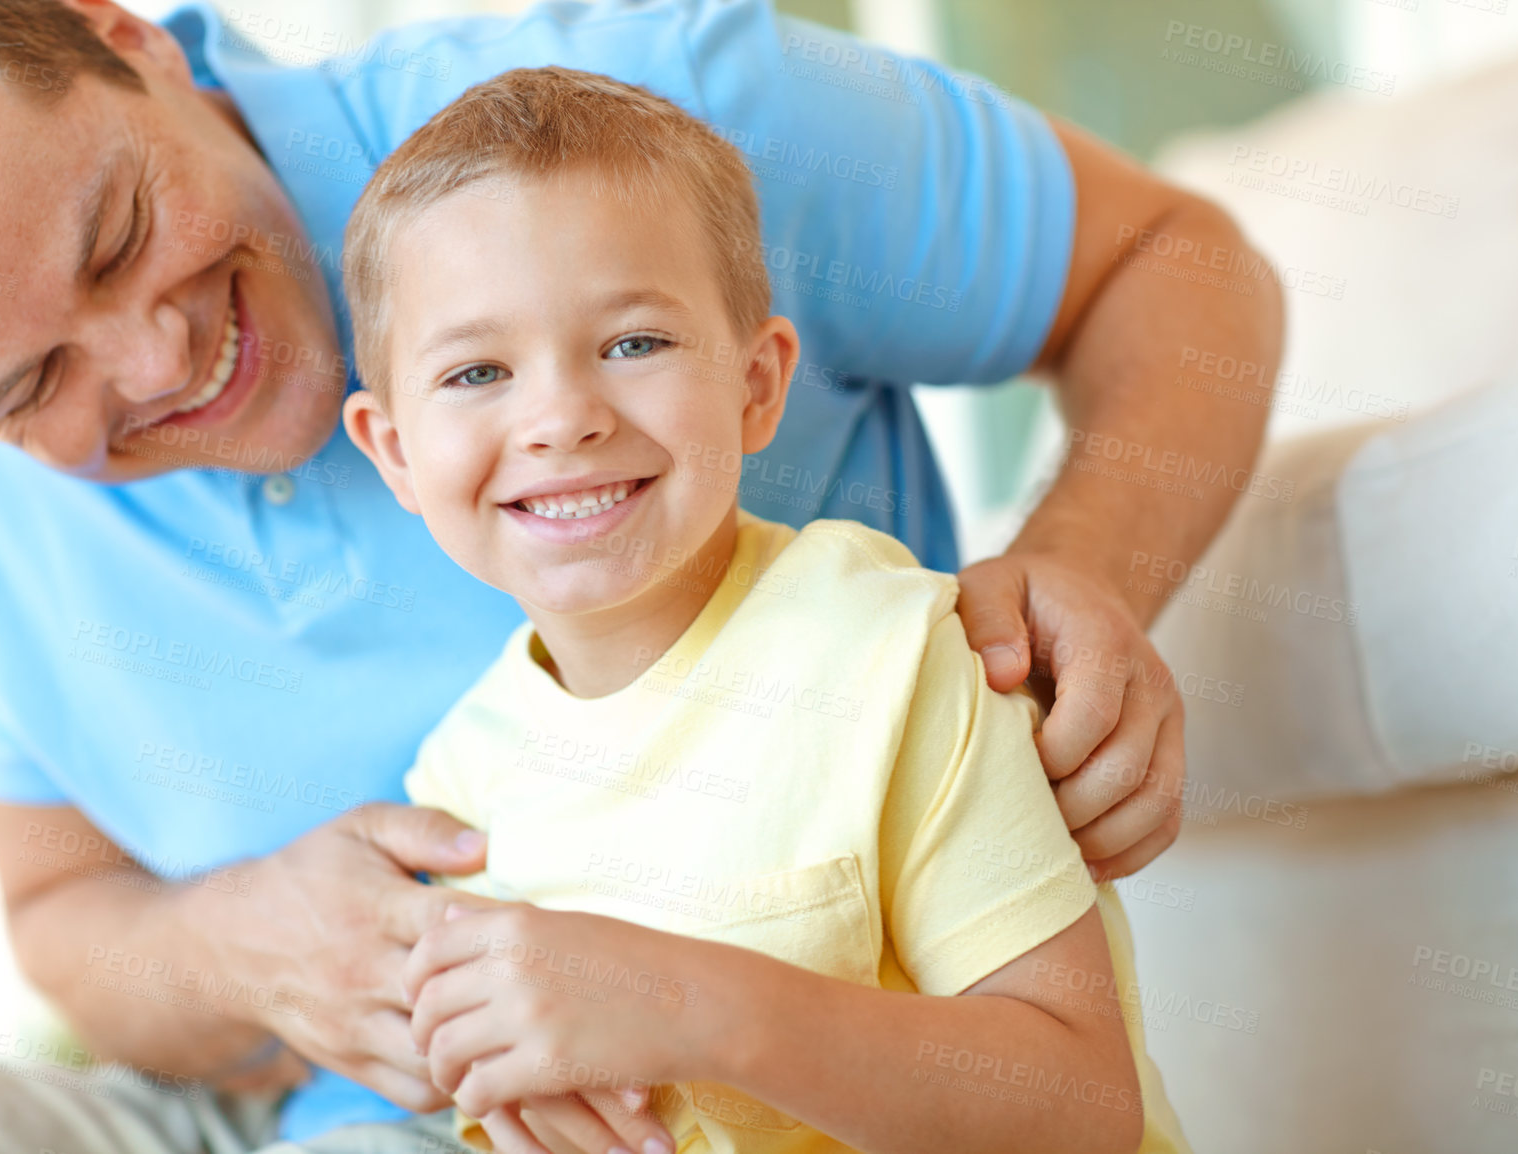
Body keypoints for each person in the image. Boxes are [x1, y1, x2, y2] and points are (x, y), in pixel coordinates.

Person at [0, 1, 1278, 1151]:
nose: (156, 361)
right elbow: (65, 917)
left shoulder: (649, 130)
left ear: (121, 34)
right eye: (28, 389)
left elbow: (1171, 257)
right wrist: (236, 948)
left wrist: (1078, 575)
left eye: (123, 232)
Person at [339, 65, 1189, 1154]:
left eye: (632, 342)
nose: (559, 416)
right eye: (476, 371)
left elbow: (1080, 1108)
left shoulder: (895, 656)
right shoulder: (463, 778)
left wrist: (688, 1004)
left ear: (756, 386)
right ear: (396, 452)